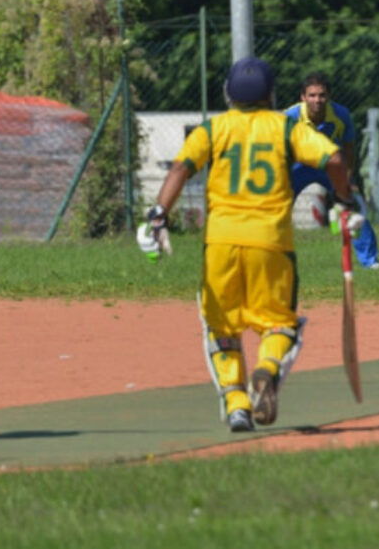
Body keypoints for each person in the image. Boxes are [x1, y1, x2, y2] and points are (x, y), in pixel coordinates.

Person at [137, 56, 361, 432]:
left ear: (227, 92)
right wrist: (344, 197)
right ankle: (267, 369)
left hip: (221, 242)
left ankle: (237, 403)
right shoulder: (285, 127)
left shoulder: (213, 129)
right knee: (279, 323)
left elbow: (180, 169)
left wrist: (158, 216)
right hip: (270, 242)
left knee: (220, 326)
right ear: (272, 95)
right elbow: (334, 157)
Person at [284, 72, 379, 269]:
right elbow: (279, 150)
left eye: (322, 95)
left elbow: (348, 147)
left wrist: (347, 179)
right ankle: (274, 260)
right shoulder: (290, 117)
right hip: (297, 166)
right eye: (312, 95)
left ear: (329, 97)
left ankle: (370, 261)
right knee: (276, 210)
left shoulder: (341, 115)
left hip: (330, 165)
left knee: (353, 206)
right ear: (303, 97)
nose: (317, 100)